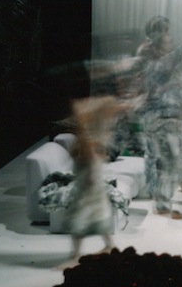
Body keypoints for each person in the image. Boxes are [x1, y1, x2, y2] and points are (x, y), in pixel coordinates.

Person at [132, 15, 182, 218]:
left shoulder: (154, 53)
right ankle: (160, 201)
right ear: (158, 33)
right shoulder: (148, 54)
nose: (169, 36)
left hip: (166, 114)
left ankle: (167, 194)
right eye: (166, 31)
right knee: (163, 157)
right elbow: (173, 60)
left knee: (170, 153)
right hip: (158, 115)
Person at [57, 95, 127, 269]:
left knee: (81, 215)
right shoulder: (92, 132)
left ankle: (76, 256)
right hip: (89, 175)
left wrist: (90, 177)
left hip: (89, 177)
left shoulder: (88, 132)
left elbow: (90, 156)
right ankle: (109, 246)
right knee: (96, 211)